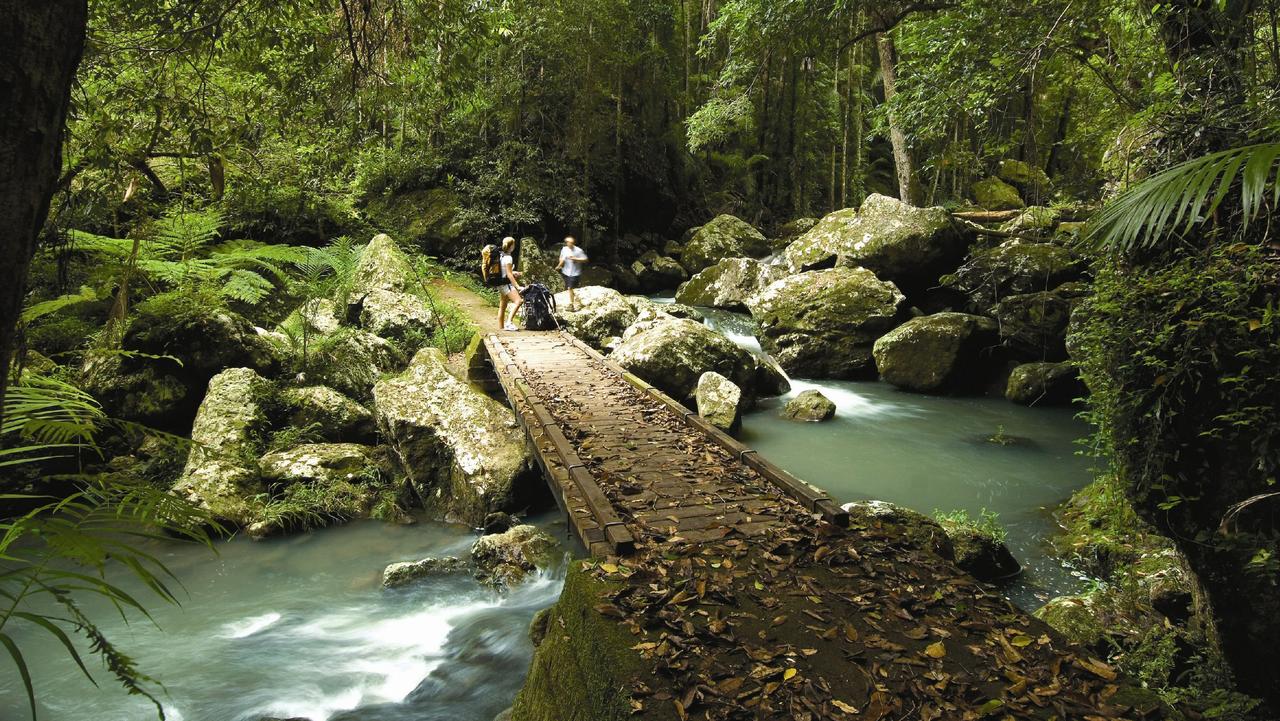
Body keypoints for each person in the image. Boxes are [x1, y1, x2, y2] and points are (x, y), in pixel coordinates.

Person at [496, 236, 524, 331]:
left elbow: (505, 271)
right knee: (519, 301)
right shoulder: (508, 258)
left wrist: (514, 272)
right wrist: (517, 286)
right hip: (506, 285)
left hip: (500, 283)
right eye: (514, 244)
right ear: (511, 246)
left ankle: (501, 327)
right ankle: (509, 323)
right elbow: (508, 274)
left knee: (503, 305)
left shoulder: (500, 255)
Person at [555, 236, 589, 310]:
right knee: (570, 288)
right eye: (567, 242)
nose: (568, 243)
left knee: (570, 288)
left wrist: (576, 259)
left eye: (570, 242)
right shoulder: (564, 249)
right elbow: (562, 259)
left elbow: (585, 259)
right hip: (566, 272)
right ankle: (576, 300)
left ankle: (571, 305)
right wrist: (559, 266)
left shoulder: (578, 250)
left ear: (573, 243)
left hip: (575, 273)